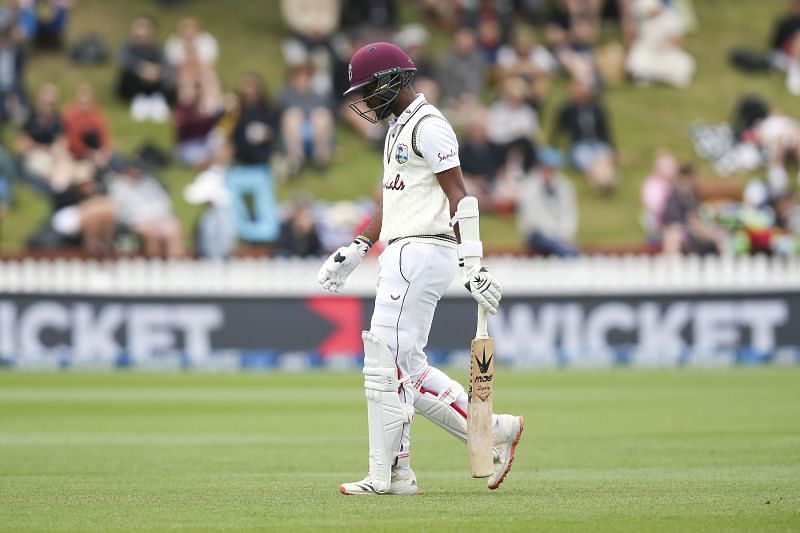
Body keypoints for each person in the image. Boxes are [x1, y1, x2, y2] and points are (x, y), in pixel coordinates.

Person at [316, 42, 522, 495]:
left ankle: (384, 475)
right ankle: (489, 433)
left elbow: (461, 197)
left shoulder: (430, 126)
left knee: (384, 366)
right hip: (402, 249)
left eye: (369, 89)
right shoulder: (397, 127)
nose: (366, 100)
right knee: (406, 366)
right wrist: (358, 246)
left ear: (391, 81)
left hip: (422, 251)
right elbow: (394, 199)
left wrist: (473, 263)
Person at [108, 158, 184, 258]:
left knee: (173, 228)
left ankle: (175, 264)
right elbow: (120, 211)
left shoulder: (150, 183)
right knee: (151, 231)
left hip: (158, 218)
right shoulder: (119, 186)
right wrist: (142, 220)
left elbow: (163, 203)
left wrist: (159, 219)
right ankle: (154, 262)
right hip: (134, 221)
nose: (138, 172)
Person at [550, 80, 616, 192]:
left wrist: (613, 148)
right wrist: (552, 147)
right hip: (579, 145)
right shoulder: (567, 109)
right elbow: (558, 130)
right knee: (590, 161)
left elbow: (605, 130)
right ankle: (605, 181)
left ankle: (601, 181)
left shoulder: (597, 108)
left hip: (598, 143)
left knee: (602, 158)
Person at [517, 146, 579, 257]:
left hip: (560, 236)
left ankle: (566, 252)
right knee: (558, 248)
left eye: (551, 169)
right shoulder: (529, 186)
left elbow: (569, 214)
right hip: (537, 235)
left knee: (568, 250)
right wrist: (554, 236)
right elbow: (533, 219)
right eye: (545, 169)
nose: (548, 173)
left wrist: (564, 234)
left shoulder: (565, 186)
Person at [116, 15, 174, 122]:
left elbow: (167, 65)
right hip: (135, 84)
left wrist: (156, 71)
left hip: (156, 83)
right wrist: (142, 69)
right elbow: (124, 62)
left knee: (168, 78)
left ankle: (157, 100)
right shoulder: (127, 47)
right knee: (127, 75)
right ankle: (139, 99)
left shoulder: (157, 48)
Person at [626, 0, 695, 88]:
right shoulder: (643, 22)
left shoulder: (670, 18)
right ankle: (648, 78)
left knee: (682, 63)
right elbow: (636, 40)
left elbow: (678, 41)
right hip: (648, 53)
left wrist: (665, 45)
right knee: (636, 62)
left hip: (666, 53)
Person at [62, 84, 114, 169]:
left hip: (98, 152)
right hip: (78, 156)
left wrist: (105, 151)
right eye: (81, 103)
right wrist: (90, 154)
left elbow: (104, 134)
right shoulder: (71, 115)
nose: (84, 106)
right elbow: (73, 142)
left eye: (87, 102)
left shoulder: (97, 113)